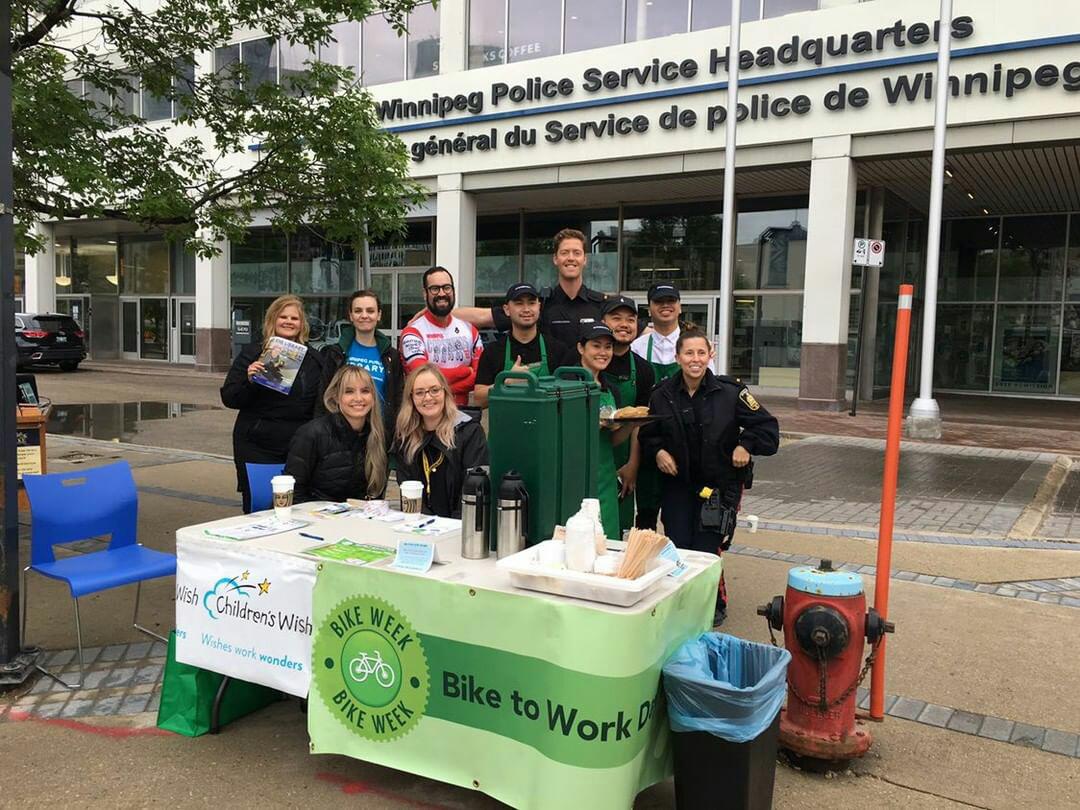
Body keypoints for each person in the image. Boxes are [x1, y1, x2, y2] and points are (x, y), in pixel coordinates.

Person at [640, 328, 779, 625]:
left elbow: (768, 430)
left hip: (717, 487)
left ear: (710, 355)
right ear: (677, 357)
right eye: (688, 353)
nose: (695, 359)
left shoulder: (731, 393)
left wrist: (746, 444)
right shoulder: (662, 395)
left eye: (701, 353)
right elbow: (648, 435)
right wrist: (658, 453)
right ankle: (684, 600)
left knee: (706, 548)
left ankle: (712, 603)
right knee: (678, 545)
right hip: (678, 486)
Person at [221, 294, 327, 513]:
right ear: (273, 319)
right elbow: (230, 397)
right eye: (283, 316)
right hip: (258, 447)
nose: (289, 322)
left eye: (294, 318)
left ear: (302, 324)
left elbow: (321, 403)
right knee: (260, 509)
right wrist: (250, 380)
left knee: (298, 508)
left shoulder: (314, 359)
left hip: (298, 449)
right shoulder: (253, 353)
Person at [453, 228, 610, 346]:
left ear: (585, 259)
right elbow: (483, 317)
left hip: (592, 386)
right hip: (548, 386)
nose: (570, 258)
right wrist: (433, 315)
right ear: (555, 259)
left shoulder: (601, 304)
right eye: (564, 253)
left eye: (576, 253)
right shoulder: (538, 305)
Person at [394, 364, 489, 519]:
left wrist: (454, 526)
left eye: (434, 390)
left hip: (461, 525)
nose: (428, 397)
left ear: (445, 392)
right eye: (419, 392)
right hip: (420, 526)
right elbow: (407, 489)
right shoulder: (405, 437)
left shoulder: (470, 432)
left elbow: (475, 488)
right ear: (411, 398)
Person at [284, 365, 388, 503]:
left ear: (373, 396)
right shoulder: (311, 433)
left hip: (356, 519)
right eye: (349, 391)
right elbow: (292, 493)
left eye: (365, 391)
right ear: (336, 397)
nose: (358, 398)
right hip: (313, 517)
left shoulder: (378, 436)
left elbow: (374, 496)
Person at [599, 295, 655, 534]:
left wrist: (632, 464)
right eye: (616, 318)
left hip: (622, 458)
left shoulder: (643, 369)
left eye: (630, 319)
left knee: (618, 529)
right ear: (603, 321)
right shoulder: (593, 361)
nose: (624, 324)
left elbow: (639, 421)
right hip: (592, 455)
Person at [631, 282, 685, 529]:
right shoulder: (637, 348)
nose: (666, 306)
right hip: (646, 440)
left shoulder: (694, 346)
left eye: (671, 301)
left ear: (680, 307)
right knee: (646, 514)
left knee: (679, 515)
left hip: (683, 439)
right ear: (649, 309)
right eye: (659, 302)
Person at [577, 324, 634, 541]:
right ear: (581, 348)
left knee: (608, 540)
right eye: (596, 346)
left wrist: (630, 424)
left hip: (605, 476)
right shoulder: (566, 382)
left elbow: (614, 440)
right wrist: (593, 424)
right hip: (576, 474)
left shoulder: (612, 388)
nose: (603, 352)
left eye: (608, 347)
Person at [473, 282, 573, 408]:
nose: (526, 309)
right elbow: (478, 400)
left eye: (531, 303)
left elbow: (570, 396)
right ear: (507, 310)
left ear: (539, 307)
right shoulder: (493, 352)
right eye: (519, 303)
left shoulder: (558, 350)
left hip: (547, 425)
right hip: (507, 426)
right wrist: (506, 383)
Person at [321, 289, 404, 433]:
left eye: (370, 311)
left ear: (379, 315)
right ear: (351, 316)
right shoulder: (335, 353)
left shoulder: (391, 355)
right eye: (358, 311)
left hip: (380, 432)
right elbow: (323, 396)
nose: (364, 315)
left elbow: (398, 398)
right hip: (341, 431)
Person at [400, 267, 483, 407]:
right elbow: (424, 380)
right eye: (434, 289)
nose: (442, 293)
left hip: (462, 415)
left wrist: (436, 388)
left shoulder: (470, 331)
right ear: (425, 294)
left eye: (447, 287)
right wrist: (465, 371)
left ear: (453, 291)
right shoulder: (412, 333)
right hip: (425, 417)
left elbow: (480, 377)